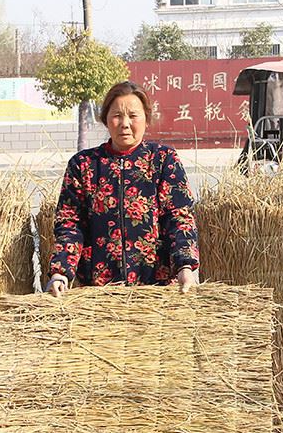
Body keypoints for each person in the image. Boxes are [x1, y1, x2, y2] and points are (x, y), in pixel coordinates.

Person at [46, 80, 199, 298]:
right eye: (117, 115)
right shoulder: (84, 164)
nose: (125, 123)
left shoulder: (163, 160)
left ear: (146, 118)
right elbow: (70, 223)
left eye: (133, 115)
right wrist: (60, 272)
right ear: (106, 119)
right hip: (98, 290)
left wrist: (185, 267)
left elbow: (179, 217)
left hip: (157, 287)